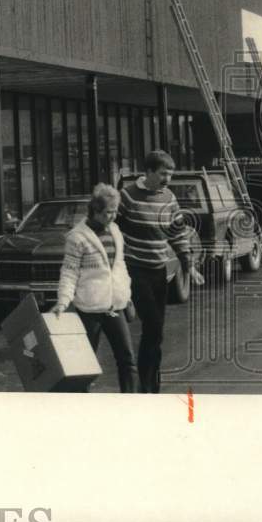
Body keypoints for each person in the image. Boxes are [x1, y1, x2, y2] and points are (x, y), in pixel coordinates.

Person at [116, 149, 204, 393]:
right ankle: (145, 384)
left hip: (158, 271)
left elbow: (178, 233)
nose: (168, 180)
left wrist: (189, 266)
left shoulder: (169, 198)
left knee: (156, 332)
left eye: (171, 175)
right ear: (149, 171)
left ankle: (150, 384)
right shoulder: (128, 196)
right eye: (164, 174)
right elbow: (112, 227)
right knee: (153, 325)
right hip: (136, 270)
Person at [52, 184, 138, 393]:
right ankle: (81, 405)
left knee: (127, 359)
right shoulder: (77, 237)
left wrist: (126, 293)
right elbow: (69, 272)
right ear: (95, 211)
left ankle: (134, 401)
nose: (113, 216)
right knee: (85, 364)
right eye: (108, 212)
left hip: (114, 306)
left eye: (115, 211)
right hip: (89, 309)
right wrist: (63, 301)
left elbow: (119, 266)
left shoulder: (115, 231)